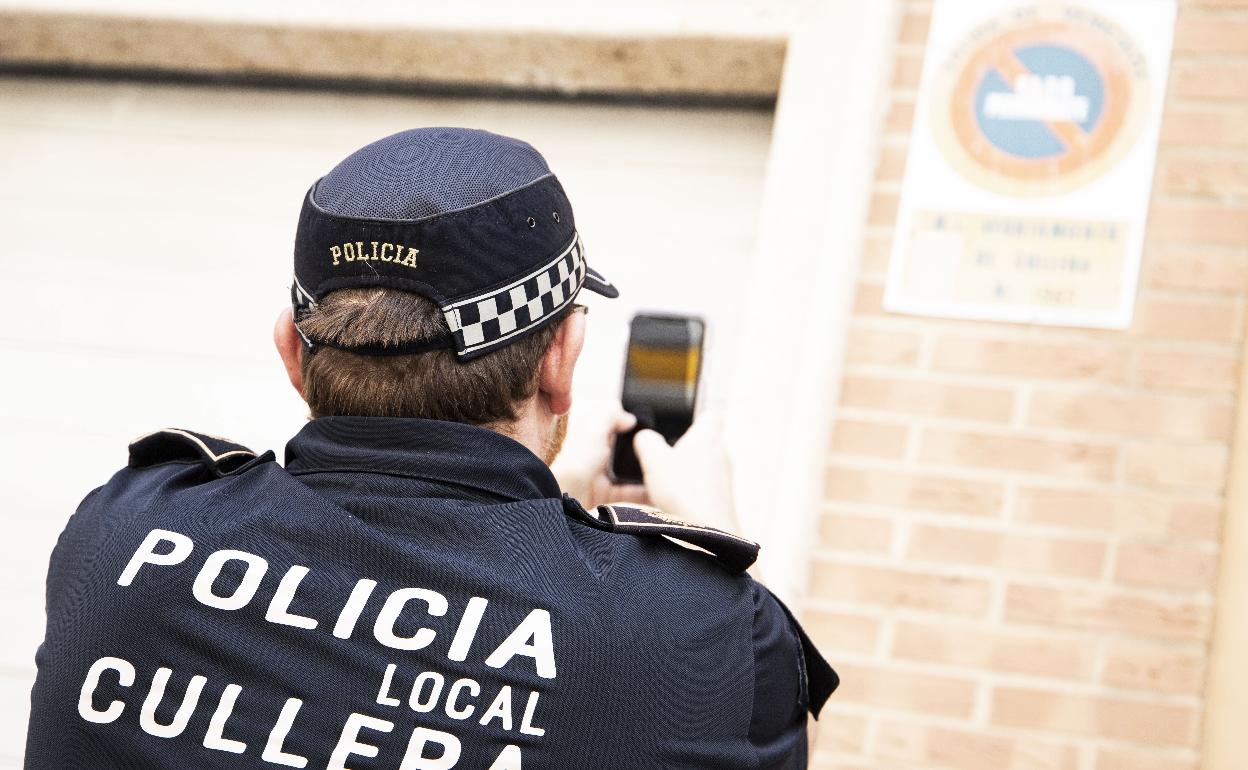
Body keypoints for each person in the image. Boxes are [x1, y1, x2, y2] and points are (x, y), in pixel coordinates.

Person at [25, 128, 836, 769]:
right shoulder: (697, 634)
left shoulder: (125, 529)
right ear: (562, 358)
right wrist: (721, 562)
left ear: (291, 350)